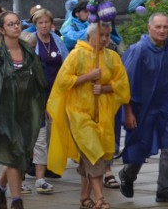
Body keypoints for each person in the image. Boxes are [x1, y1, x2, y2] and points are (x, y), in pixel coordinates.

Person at [48, 20, 130, 209]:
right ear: (90, 35)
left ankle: (85, 197)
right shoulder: (77, 54)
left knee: (89, 156)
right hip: (78, 114)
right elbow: (62, 82)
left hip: (103, 115)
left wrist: (105, 88)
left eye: (107, 36)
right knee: (95, 154)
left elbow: (123, 85)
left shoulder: (112, 57)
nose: (104, 39)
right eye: (100, 35)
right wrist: (87, 77)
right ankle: (100, 198)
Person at [118, 12, 168, 204]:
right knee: (140, 147)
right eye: (158, 27)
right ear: (149, 28)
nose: (162, 31)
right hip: (143, 109)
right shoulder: (139, 51)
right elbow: (125, 83)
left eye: (165, 27)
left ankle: (165, 190)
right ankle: (128, 174)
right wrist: (128, 111)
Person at [0, 12, 47, 209]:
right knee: (15, 154)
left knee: (19, 155)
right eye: (11, 24)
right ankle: (17, 201)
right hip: (3, 113)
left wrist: (41, 104)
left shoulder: (29, 51)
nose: (16, 27)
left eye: (17, 23)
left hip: (24, 112)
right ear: (2, 29)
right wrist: (2, 91)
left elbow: (38, 81)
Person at [30, 8, 69, 195]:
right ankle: (38, 168)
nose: (44, 26)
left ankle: (49, 164)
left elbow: (67, 62)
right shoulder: (31, 41)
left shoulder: (56, 40)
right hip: (40, 91)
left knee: (55, 130)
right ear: (35, 25)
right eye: (40, 23)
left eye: (47, 22)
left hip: (58, 90)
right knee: (41, 133)